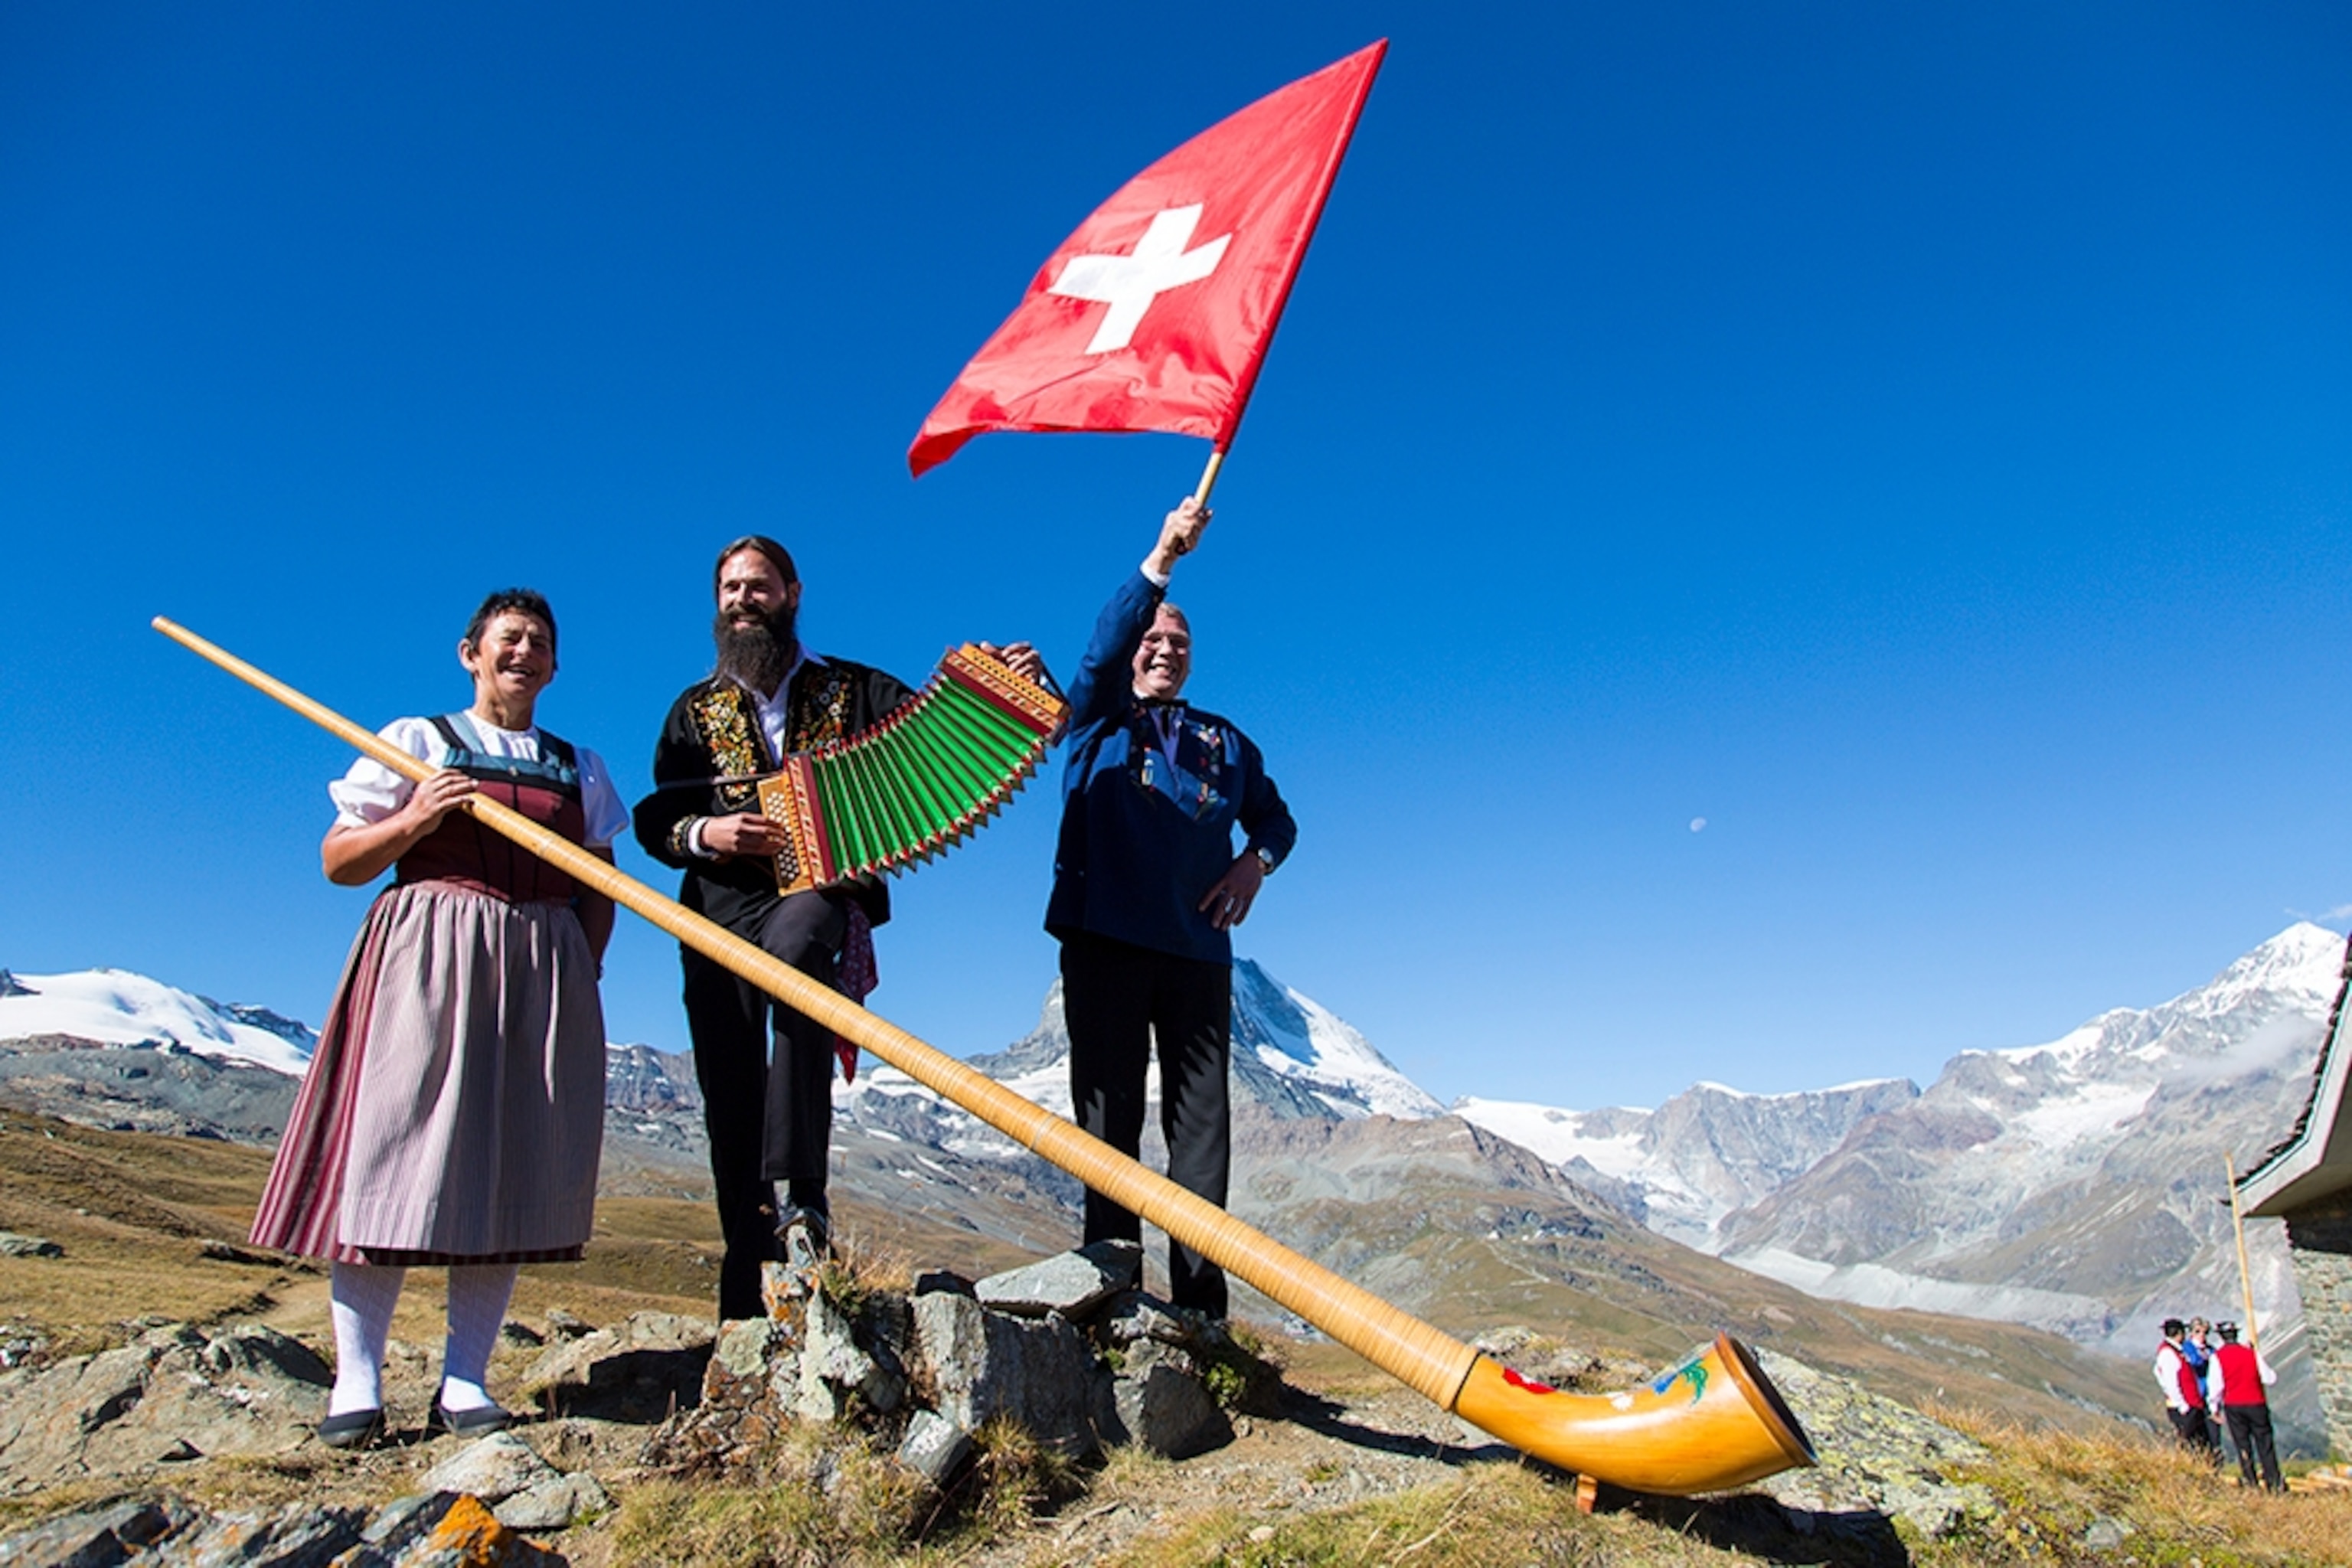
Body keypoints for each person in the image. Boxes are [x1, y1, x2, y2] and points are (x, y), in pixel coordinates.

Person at [633, 534, 1040, 1320]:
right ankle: (746, 1270)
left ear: (792, 593)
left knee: (799, 953)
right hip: (716, 902)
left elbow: (938, 725)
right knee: (727, 1076)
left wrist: (1006, 683)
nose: (742, 600)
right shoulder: (692, 709)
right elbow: (660, 815)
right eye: (729, 589)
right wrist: (708, 835)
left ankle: (803, 1205)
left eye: (758, 586)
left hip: (818, 889)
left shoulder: (852, 686)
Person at [250, 590, 623, 1447]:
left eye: (539, 642)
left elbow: (600, 879)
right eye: (508, 638)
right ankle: (358, 1378)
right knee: (393, 1145)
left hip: (544, 963)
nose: (523, 652)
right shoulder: (417, 741)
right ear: (471, 652)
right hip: (432, 949)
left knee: (511, 1157)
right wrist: (418, 816)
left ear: (555, 665)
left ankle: (464, 1379)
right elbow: (339, 861)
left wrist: (580, 961)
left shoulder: (582, 765)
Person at [1047, 496, 1298, 1319]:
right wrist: (1162, 555)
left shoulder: (1228, 741)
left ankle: (1201, 1310)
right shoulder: (1092, 721)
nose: (1164, 650)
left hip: (1197, 953)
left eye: (1178, 643)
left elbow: (1278, 820)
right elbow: (1099, 649)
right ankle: (1111, 1297)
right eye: (1151, 640)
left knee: (1200, 1137)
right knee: (1107, 1122)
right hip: (1104, 939)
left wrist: (1253, 865)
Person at [2208, 1320, 2285, 1491]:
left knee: (2243, 1444)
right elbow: (2270, 1378)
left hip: (2234, 1405)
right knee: (2265, 1443)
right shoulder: (2251, 1353)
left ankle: (2251, 1481)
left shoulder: (2218, 1357)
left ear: (2221, 1337)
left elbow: (2216, 1386)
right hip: (2256, 1403)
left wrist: (2214, 1408)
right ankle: (2274, 1481)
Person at [2153, 1318, 2220, 1465]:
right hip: (2185, 1405)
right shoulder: (2168, 1353)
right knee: (2189, 1441)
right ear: (2180, 1333)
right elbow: (2171, 1381)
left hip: (2193, 1402)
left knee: (2201, 1441)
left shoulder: (2178, 1350)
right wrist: (2182, 1404)